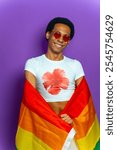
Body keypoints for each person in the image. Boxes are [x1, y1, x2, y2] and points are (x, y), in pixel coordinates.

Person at [16, 17, 100, 150]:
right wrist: (51, 119)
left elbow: (84, 97)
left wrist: (73, 116)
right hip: (45, 126)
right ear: (48, 34)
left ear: (68, 41)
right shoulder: (32, 64)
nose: (61, 39)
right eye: (57, 34)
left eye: (66, 37)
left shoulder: (75, 65)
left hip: (69, 125)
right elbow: (30, 98)